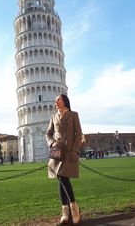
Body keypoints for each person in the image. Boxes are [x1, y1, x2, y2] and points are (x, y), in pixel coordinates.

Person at [46, 94, 82, 225]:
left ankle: (73, 208)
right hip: (57, 151)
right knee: (60, 178)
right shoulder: (53, 116)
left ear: (65, 101)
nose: (56, 102)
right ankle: (67, 211)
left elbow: (79, 134)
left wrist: (75, 150)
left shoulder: (74, 115)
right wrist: (51, 143)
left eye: (58, 100)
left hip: (69, 152)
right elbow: (48, 133)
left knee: (63, 178)